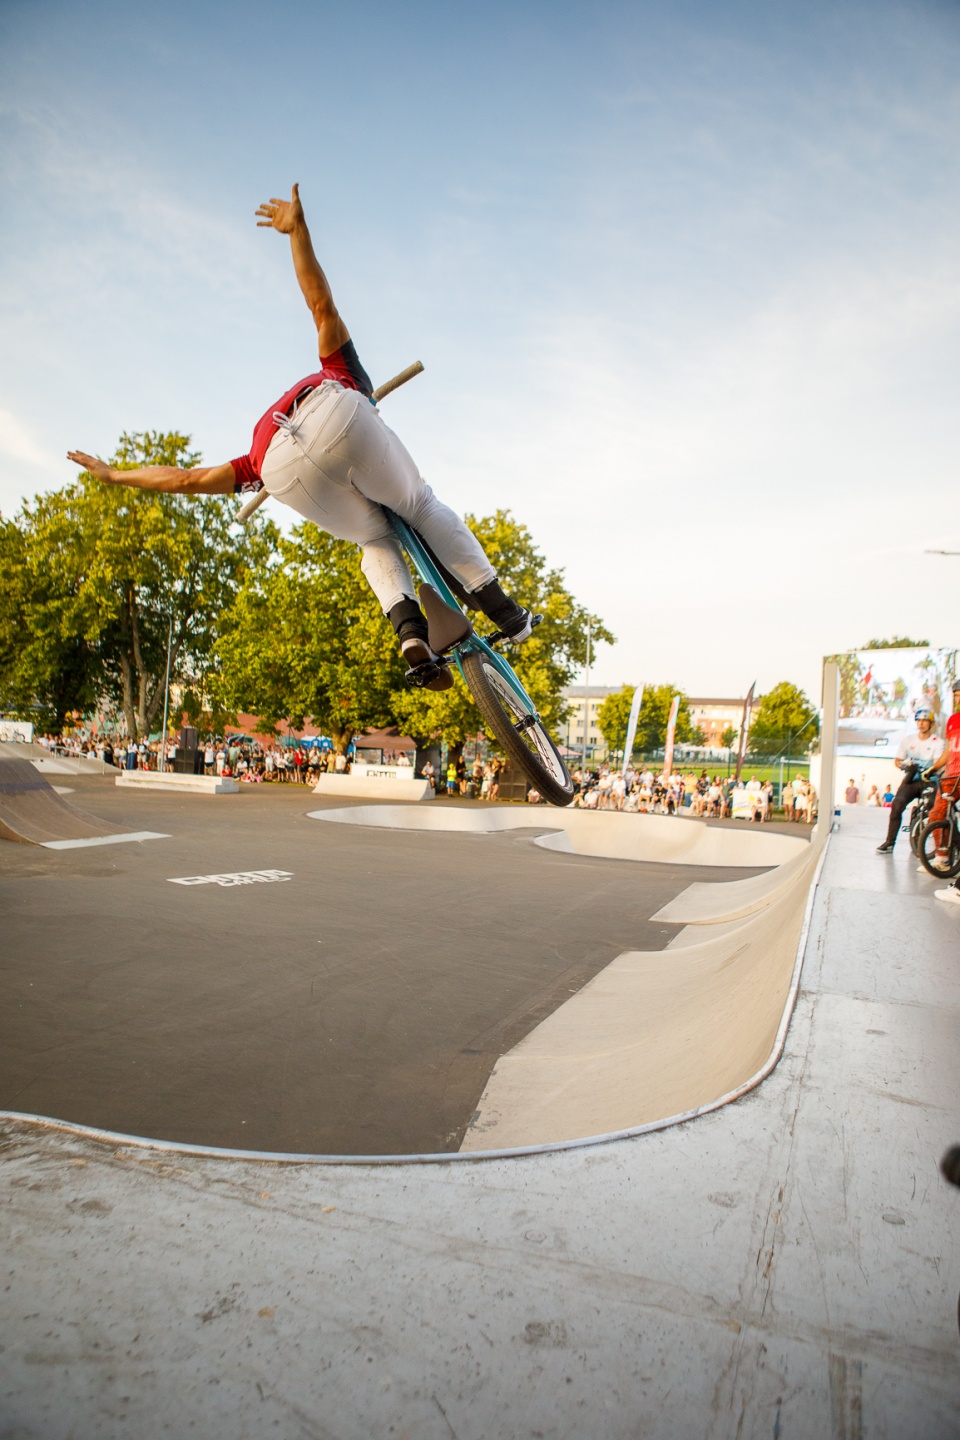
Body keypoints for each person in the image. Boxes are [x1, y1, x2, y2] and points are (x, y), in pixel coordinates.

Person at [67, 186, 532, 693]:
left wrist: (115, 475)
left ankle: (409, 634)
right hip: (338, 412)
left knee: (374, 539)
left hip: (278, 470)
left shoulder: (253, 456)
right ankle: (506, 613)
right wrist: (298, 232)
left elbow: (185, 480)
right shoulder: (342, 372)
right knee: (418, 504)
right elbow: (321, 304)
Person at [876, 707, 941, 854]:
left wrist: (929, 769)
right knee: (897, 805)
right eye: (919, 721)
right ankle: (890, 842)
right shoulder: (908, 740)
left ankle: (922, 839)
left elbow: (937, 763)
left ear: (931, 723)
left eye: (925, 721)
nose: (921, 724)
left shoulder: (937, 742)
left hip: (929, 779)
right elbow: (897, 760)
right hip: (911, 779)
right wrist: (904, 766)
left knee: (932, 806)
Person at [921, 679, 960, 877]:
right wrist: (934, 768)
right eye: (956, 696)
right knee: (937, 814)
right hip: (950, 776)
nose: (958, 699)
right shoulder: (952, 720)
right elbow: (948, 751)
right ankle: (942, 858)